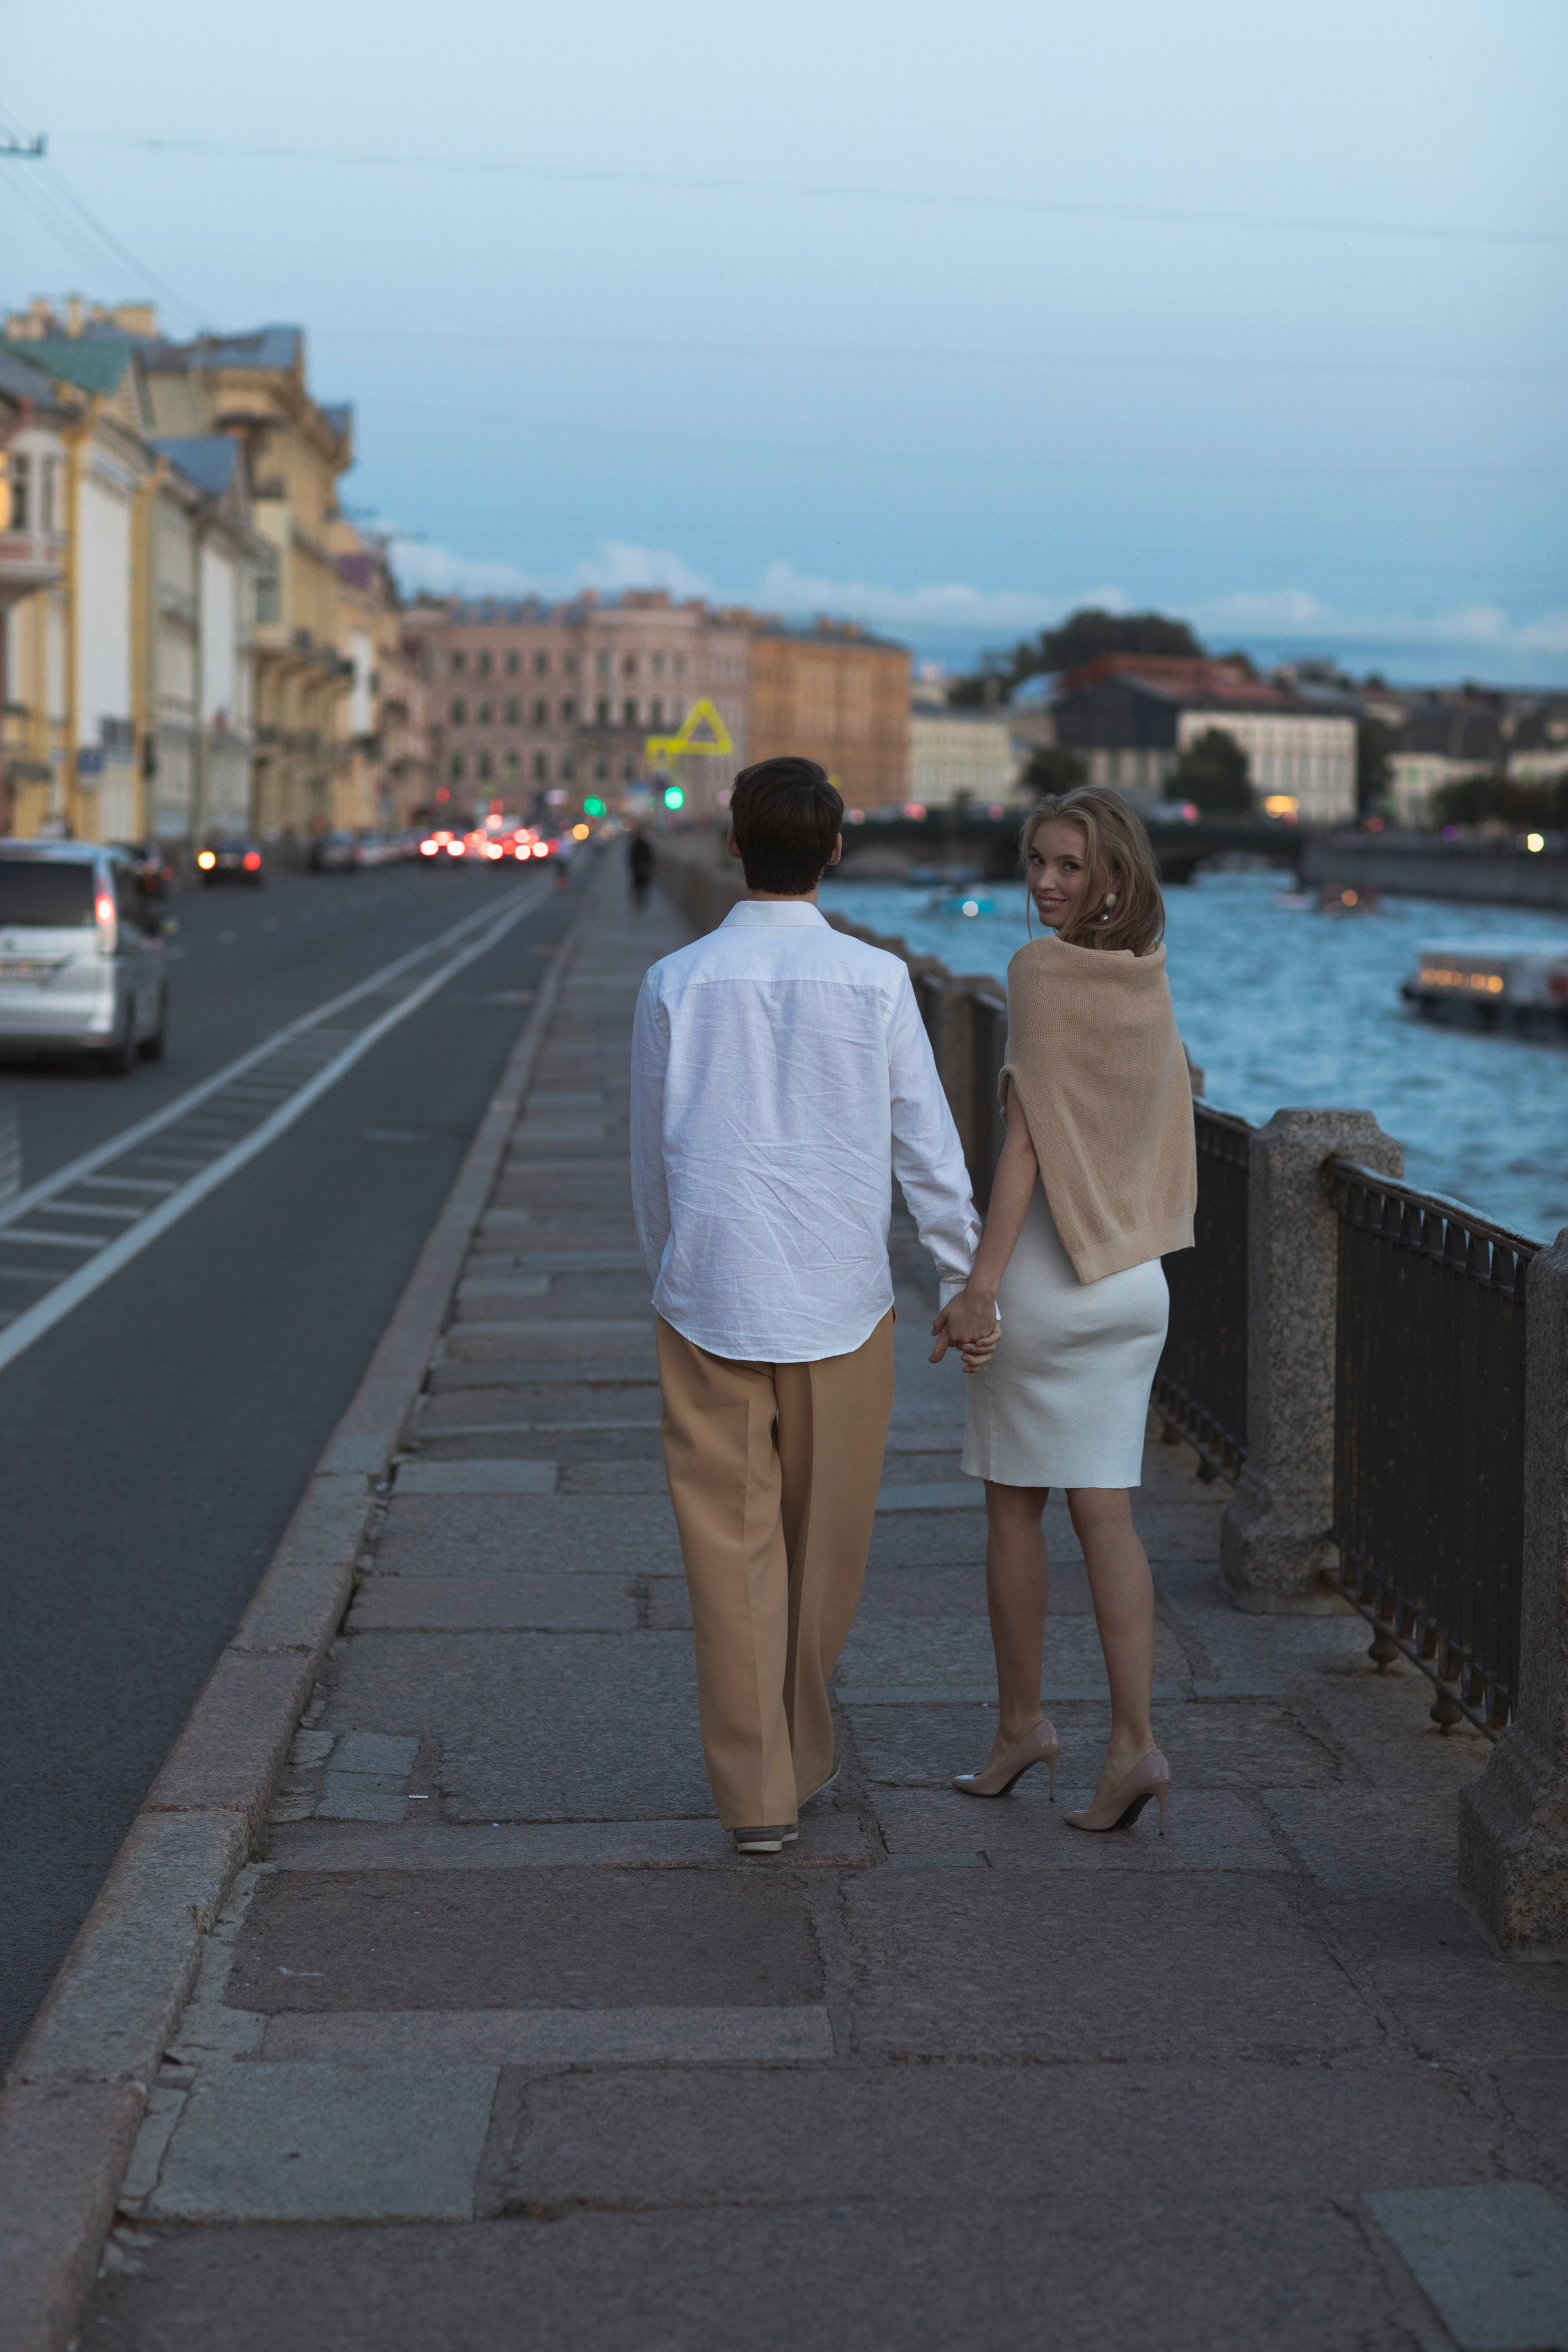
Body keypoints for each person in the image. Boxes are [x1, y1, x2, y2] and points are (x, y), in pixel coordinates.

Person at [631, 756, 981, 1855]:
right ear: (834, 852)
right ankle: (800, 1739)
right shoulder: (877, 985)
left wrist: (670, 1266)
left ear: (735, 844)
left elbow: (652, 1157)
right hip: (843, 1298)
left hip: (711, 1293)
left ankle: (758, 1798)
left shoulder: (675, 983)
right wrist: (965, 1280)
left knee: (727, 1554)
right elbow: (928, 1150)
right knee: (827, 1548)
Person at [931, 785, 1196, 1834]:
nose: (1044, 883)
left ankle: (1023, 1727)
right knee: (1109, 1515)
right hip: (1136, 1283)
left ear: (1113, 877)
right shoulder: (1148, 978)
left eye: (1068, 867)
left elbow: (1028, 1145)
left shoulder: (1040, 972)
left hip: (1048, 1282)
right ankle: (1133, 1745)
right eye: (1036, 862)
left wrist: (979, 1287)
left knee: (1012, 1510)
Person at [627, 828, 655, 909]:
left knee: (638, 886)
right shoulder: (644, 845)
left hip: (639, 869)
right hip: (642, 869)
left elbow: (632, 858)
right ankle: (641, 901)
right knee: (642, 885)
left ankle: (640, 901)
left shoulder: (636, 845)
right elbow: (650, 858)